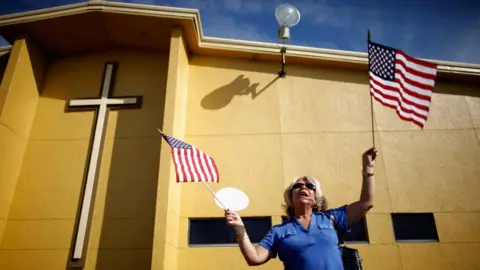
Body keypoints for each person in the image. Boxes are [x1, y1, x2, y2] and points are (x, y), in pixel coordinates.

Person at [225, 147, 377, 270]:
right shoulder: (279, 231)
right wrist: (240, 229)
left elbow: (366, 202)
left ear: (316, 198)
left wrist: (368, 168)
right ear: (290, 199)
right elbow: (254, 258)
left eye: (310, 186)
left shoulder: (332, 219)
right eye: (297, 186)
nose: (303, 187)